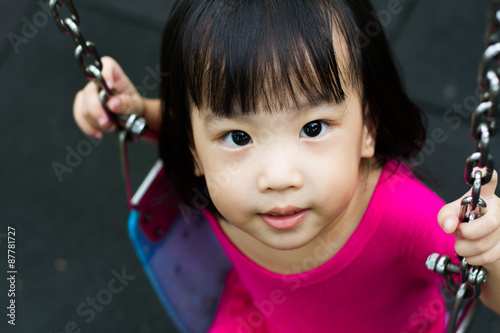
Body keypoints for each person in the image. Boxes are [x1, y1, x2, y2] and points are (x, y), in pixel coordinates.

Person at [73, 0, 500, 331]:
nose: (278, 178)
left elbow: (490, 290)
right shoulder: (213, 170)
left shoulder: (400, 214)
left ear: (368, 127)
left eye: (314, 127)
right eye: (238, 137)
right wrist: (135, 109)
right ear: (195, 148)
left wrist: (492, 248)